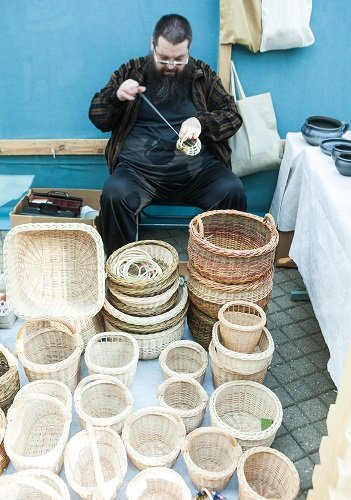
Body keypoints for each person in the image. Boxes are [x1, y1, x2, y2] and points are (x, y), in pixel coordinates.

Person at [89, 13, 246, 257]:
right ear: (152, 45)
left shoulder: (202, 74)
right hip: (139, 174)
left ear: (188, 49)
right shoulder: (131, 71)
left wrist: (200, 121)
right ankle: (120, 272)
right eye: (163, 58)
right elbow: (98, 117)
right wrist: (116, 97)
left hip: (197, 173)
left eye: (179, 59)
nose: (171, 66)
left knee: (232, 190)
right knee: (114, 194)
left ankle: (221, 269)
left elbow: (233, 117)